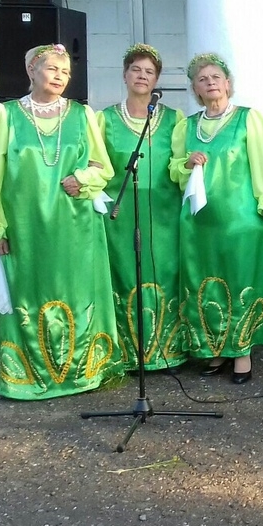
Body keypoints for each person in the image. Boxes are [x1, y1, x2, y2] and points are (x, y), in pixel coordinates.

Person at [0, 43, 121, 399]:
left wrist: (83, 178)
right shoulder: (5, 115)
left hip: (75, 224)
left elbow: (104, 168)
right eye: (53, 68)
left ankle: (81, 373)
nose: (60, 76)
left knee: (77, 291)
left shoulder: (82, 114)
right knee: (29, 292)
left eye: (66, 71)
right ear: (32, 71)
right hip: (26, 225)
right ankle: (28, 378)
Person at [170, 53, 263, 384]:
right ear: (195, 88)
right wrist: (186, 163)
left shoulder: (248, 119)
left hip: (240, 219)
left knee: (239, 281)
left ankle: (242, 352)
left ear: (228, 84)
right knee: (205, 282)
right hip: (199, 221)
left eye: (215, 77)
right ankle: (214, 349)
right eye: (202, 79)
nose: (210, 83)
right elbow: (175, 172)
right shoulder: (185, 127)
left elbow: (262, 165)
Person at [98, 44, 187, 371]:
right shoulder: (104, 119)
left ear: (157, 80)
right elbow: (95, 163)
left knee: (163, 272)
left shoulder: (174, 119)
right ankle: (125, 353)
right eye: (136, 69)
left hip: (164, 210)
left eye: (149, 72)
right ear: (125, 74)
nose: (142, 76)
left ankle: (168, 351)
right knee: (124, 274)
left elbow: (179, 163)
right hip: (121, 212)